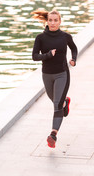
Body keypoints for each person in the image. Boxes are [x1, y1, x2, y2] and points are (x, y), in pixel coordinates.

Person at [31, 8, 78, 148]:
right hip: (47, 74)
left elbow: (74, 48)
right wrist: (47, 55)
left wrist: (73, 59)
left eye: (55, 20)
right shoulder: (40, 38)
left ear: (60, 21)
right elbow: (35, 56)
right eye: (50, 20)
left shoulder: (65, 37)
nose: (53, 23)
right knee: (56, 100)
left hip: (62, 74)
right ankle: (65, 102)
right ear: (47, 21)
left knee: (56, 104)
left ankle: (53, 135)